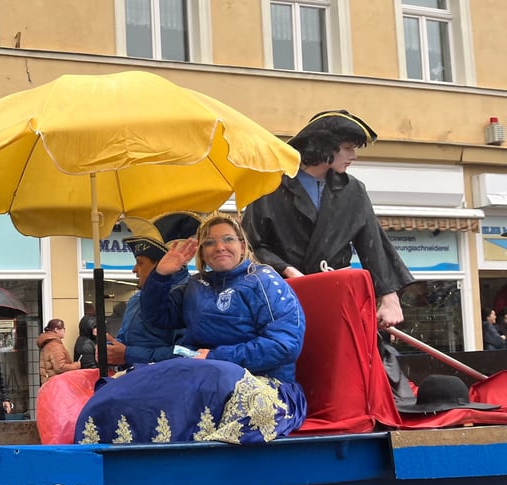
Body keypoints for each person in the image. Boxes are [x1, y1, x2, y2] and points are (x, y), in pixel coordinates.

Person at [75, 213, 306, 444]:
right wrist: (161, 276)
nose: (219, 247)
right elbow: (158, 318)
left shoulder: (265, 281)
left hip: (265, 383)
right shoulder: (197, 285)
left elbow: (285, 345)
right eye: (209, 242)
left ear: (242, 245)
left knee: (216, 376)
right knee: (137, 382)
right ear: (202, 252)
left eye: (228, 239)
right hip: (203, 372)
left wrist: (216, 357)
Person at [242, 110, 414, 329]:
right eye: (348, 148)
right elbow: (250, 244)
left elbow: (373, 244)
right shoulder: (271, 185)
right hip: (281, 296)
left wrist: (390, 298)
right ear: (324, 146)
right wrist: (287, 269)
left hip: (336, 296)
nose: (354, 156)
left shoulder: (352, 190)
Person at [105, 212, 201, 369]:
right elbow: (124, 338)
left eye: (140, 263)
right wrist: (111, 349)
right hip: (134, 379)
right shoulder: (136, 299)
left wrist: (128, 354)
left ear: (163, 264)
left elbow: (189, 353)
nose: (134, 269)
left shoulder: (187, 296)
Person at [37, 318, 80, 385]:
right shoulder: (55, 346)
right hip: (57, 383)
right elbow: (60, 367)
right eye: (63, 328)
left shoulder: (48, 343)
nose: (64, 331)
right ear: (56, 330)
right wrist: (77, 365)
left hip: (50, 382)